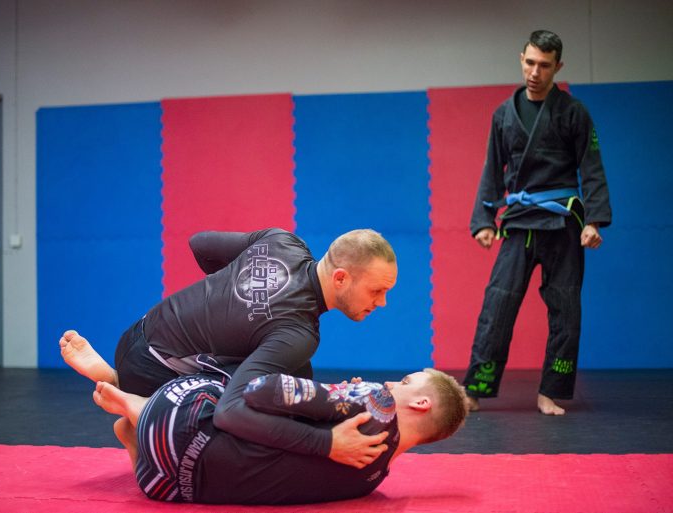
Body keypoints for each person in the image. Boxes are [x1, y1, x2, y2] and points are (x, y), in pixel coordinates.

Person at [60, 227, 398, 466]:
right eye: (376, 291)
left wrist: (230, 299)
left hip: (137, 332)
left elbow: (201, 243)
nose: (382, 303)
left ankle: (119, 381)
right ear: (340, 278)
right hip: (154, 372)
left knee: (297, 377)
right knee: (260, 418)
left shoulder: (282, 241)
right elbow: (229, 412)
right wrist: (326, 443)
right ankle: (140, 409)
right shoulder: (298, 333)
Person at [463, 30, 612, 415]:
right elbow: (492, 168)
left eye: (544, 65)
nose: (535, 72)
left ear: (557, 67)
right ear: (521, 59)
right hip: (519, 222)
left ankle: (550, 392)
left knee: (566, 309)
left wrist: (594, 220)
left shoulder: (574, 112)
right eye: (530, 62)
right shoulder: (504, 114)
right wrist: (484, 220)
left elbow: (591, 166)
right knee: (497, 305)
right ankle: (475, 389)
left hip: (563, 223)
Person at [91, 367, 469, 505]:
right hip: (166, 487)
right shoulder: (373, 478)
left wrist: (342, 394)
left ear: (420, 403)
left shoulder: (377, 401)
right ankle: (135, 428)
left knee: (227, 381)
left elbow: (263, 390)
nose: (391, 383)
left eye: (405, 382)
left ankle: (134, 401)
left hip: (176, 424)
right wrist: (338, 402)